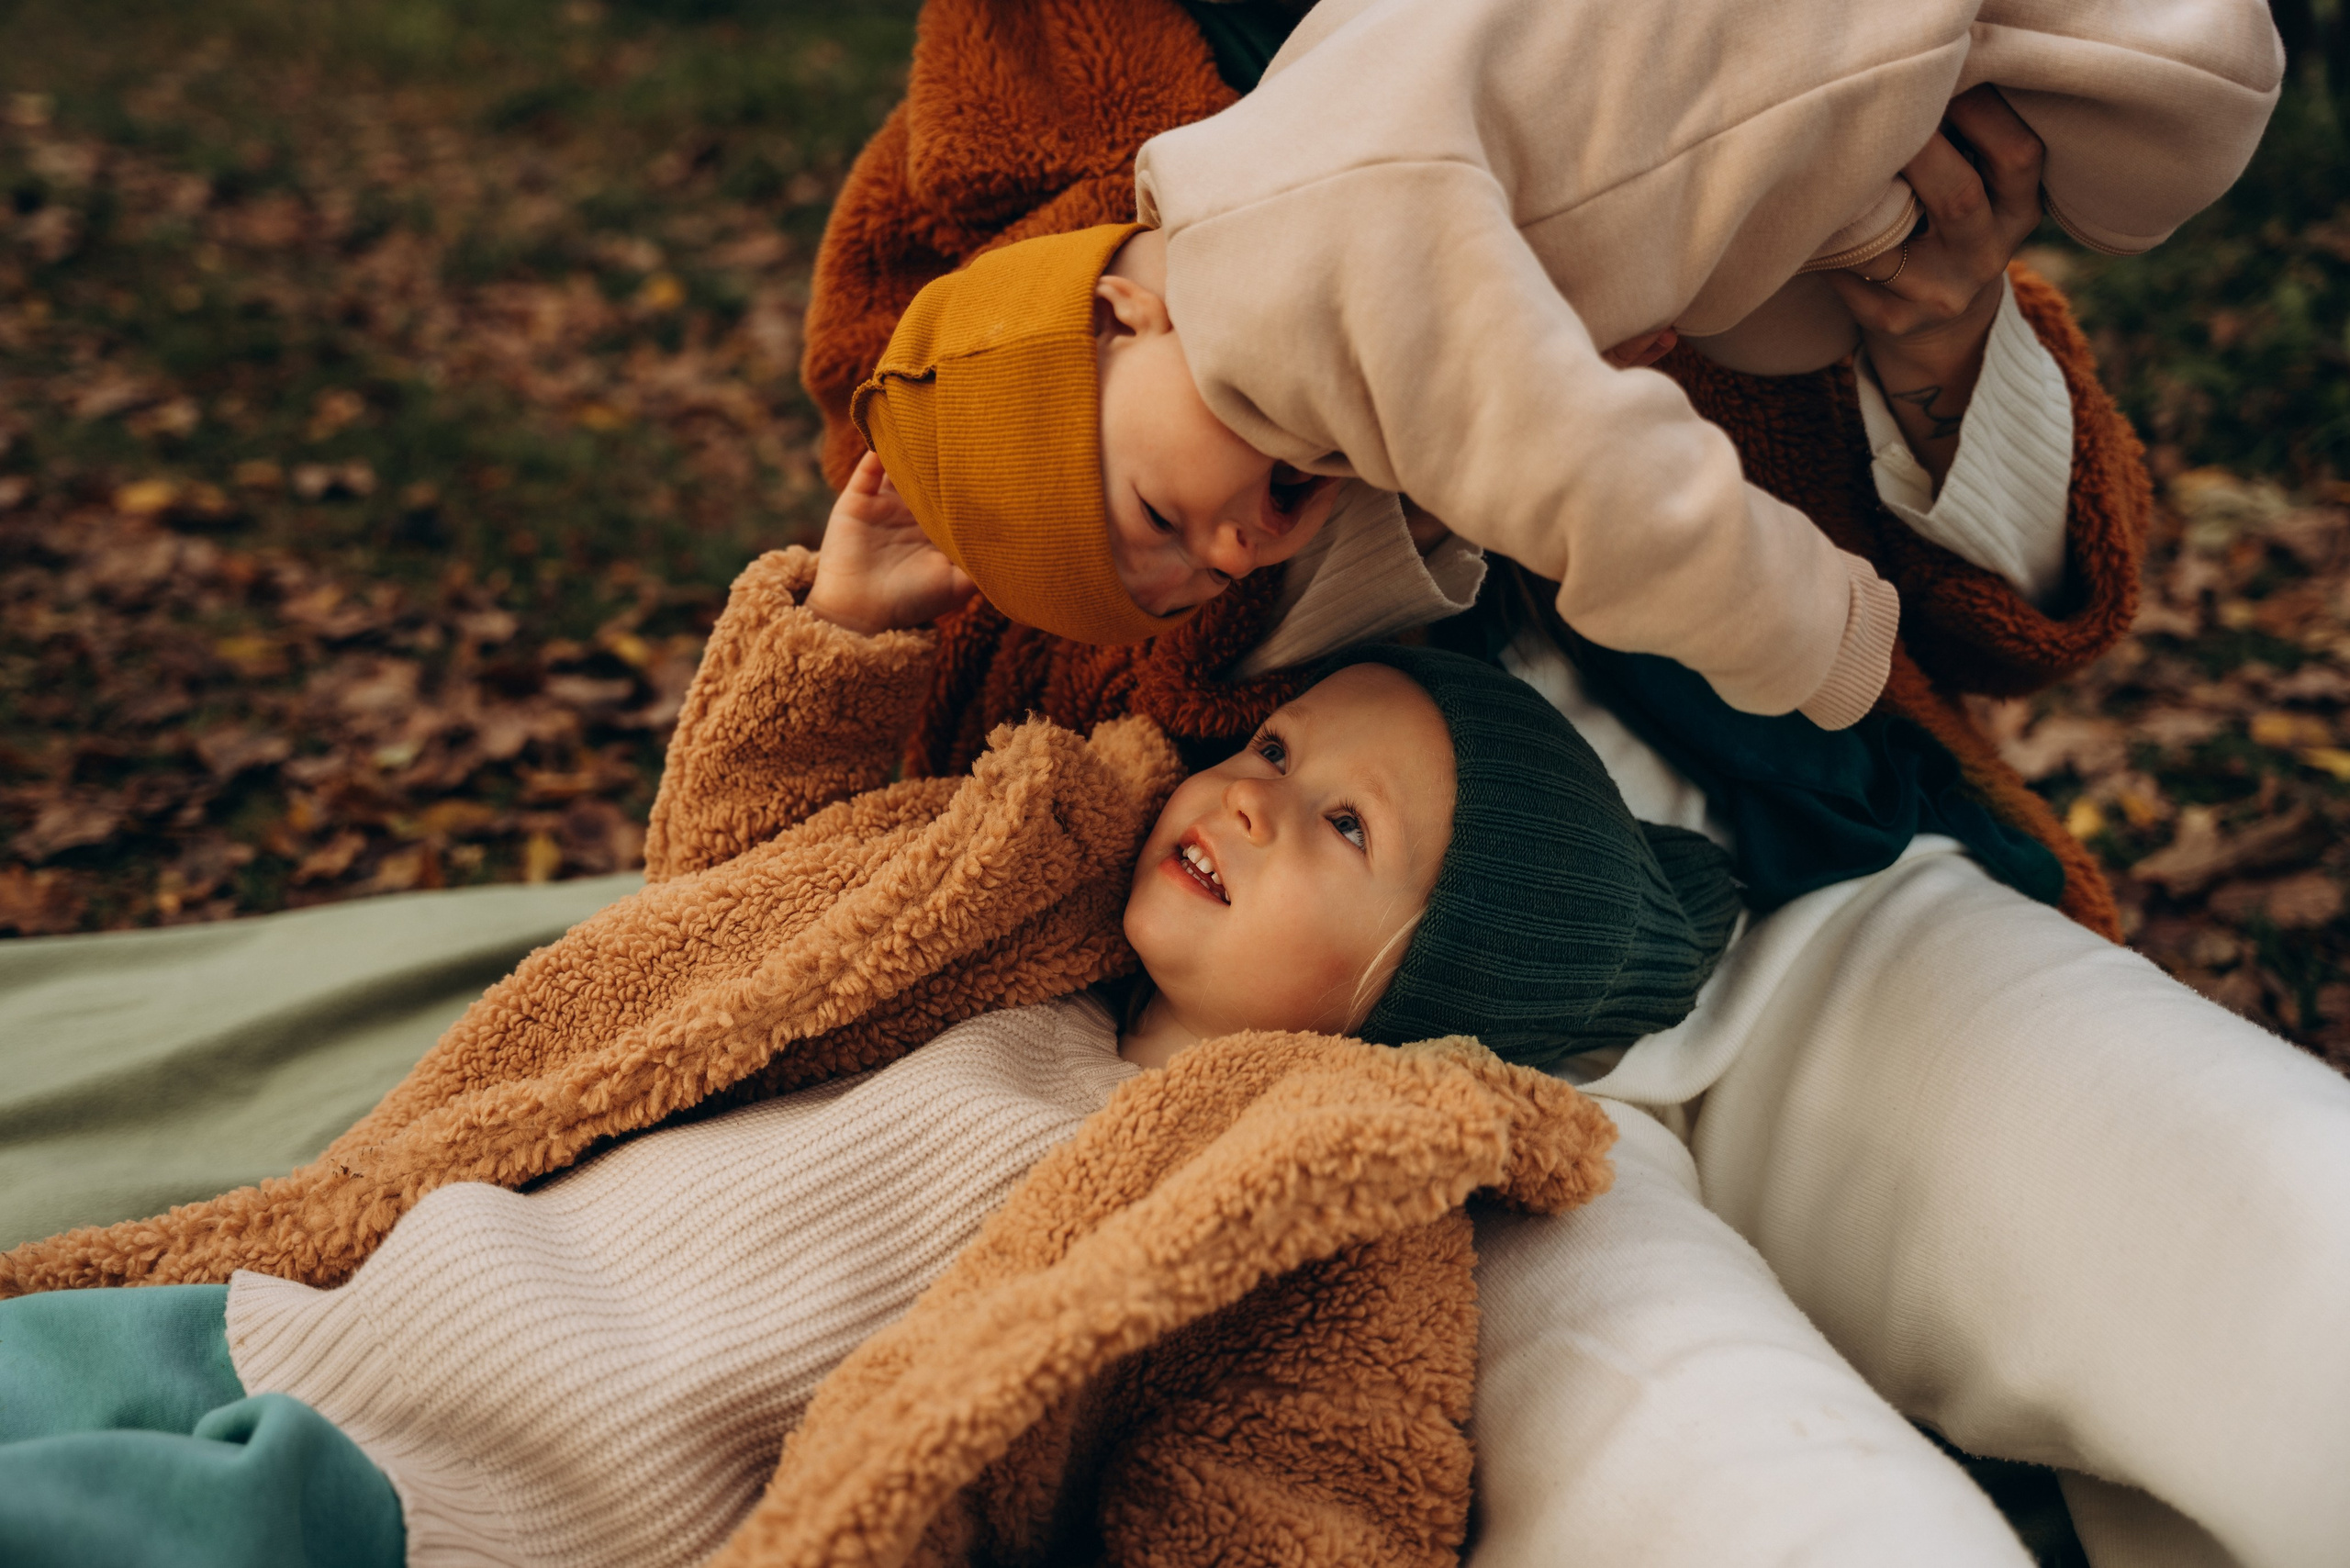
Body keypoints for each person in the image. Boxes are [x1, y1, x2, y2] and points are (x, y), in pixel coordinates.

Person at [0, 465, 1736, 1568]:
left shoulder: (1309, 1200)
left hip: (449, 1503)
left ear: (1428, 982)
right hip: (292, 1310)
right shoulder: (1011, 915)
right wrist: (849, 630)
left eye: (1347, 828)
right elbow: (726, 915)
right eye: (1276, 752)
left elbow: (1297, 1493)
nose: (1257, 800)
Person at [845, 0, 2281, 732]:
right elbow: (996, 603)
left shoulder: (1279, 230)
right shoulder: (1023, 84)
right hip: (1355, 887)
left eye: (1172, 524)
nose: (1231, 544)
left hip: (1800, 813)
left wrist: (1942, 345)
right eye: (1199, 563)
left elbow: (2009, 604)